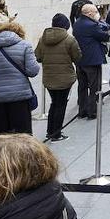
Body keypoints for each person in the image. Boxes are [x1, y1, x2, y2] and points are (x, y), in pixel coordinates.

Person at [0, 20, 40, 136]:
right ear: (20, 33)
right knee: (22, 139)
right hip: (20, 98)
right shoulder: (25, 46)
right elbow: (33, 71)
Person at [34, 14, 81, 142]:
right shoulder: (70, 40)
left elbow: (37, 57)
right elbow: (77, 57)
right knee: (61, 105)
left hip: (49, 77)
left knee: (54, 103)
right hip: (65, 77)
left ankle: (50, 131)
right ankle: (56, 133)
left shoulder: (42, 39)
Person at [71, 4, 110, 120]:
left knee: (82, 86)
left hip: (80, 60)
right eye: (95, 11)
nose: (97, 13)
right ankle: (92, 111)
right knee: (94, 87)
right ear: (89, 13)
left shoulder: (77, 23)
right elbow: (105, 36)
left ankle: (82, 110)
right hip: (92, 61)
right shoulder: (92, 25)